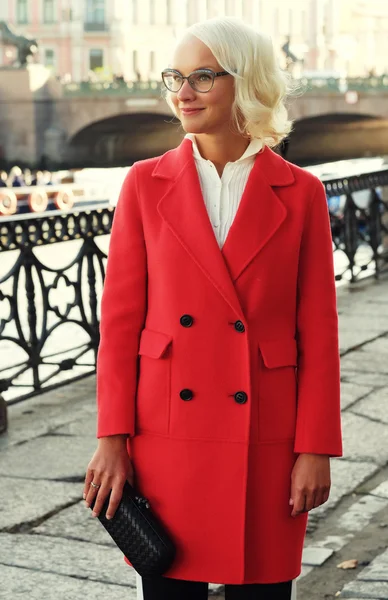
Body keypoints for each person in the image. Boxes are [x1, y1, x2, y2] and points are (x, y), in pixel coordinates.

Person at [84, 17, 342, 600]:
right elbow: (120, 325)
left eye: (202, 76)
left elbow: (319, 331)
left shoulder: (300, 192)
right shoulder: (144, 184)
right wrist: (112, 438)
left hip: (267, 432)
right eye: (176, 76)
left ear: (244, 82)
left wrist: (316, 448)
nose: (183, 92)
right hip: (167, 431)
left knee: (263, 590)